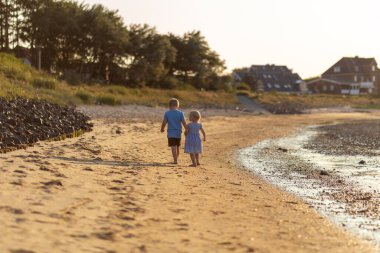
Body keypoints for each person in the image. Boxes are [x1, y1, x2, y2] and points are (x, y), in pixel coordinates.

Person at [161, 98, 187, 164]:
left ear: (169, 106)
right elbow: (184, 122)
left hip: (171, 133)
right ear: (178, 106)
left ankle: (175, 160)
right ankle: (176, 159)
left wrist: (162, 128)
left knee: (173, 146)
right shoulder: (181, 113)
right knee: (177, 146)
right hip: (178, 133)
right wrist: (187, 129)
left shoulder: (167, 113)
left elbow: (164, 122)